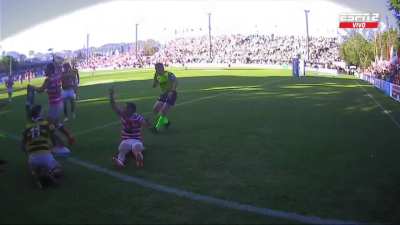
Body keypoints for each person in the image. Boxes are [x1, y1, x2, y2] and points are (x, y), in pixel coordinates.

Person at [21, 105, 75, 188]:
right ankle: (48, 172)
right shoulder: (46, 123)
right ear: (40, 113)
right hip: (45, 156)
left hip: (31, 159)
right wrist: (61, 143)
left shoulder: (27, 126)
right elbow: (55, 136)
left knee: (35, 166)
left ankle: (36, 172)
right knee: (59, 168)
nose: (44, 112)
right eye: (43, 111)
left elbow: (22, 147)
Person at [109, 87, 150, 168]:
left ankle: (138, 159)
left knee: (135, 148)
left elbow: (144, 123)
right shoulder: (124, 115)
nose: (124, 108)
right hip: (127, 140)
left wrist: (146, 123)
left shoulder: (136, 117)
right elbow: (114, 106)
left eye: (126, 107)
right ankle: (120, 162)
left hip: (135, 140)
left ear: (131, 110)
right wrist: (111, 96)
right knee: (122, 148)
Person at [152, 63, 178, 133]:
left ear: (162, 68)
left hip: (171, 94)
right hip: (163, 94)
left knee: (163, 111)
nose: (156, 70)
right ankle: (166, 122)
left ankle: (156, 128)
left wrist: (172, 91)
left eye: (158, 68)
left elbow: (175, 82)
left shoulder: (169, 74)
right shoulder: (156, 74)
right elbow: (155, 82)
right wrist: (154, 84)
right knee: (155, 109)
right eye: (156, 68)